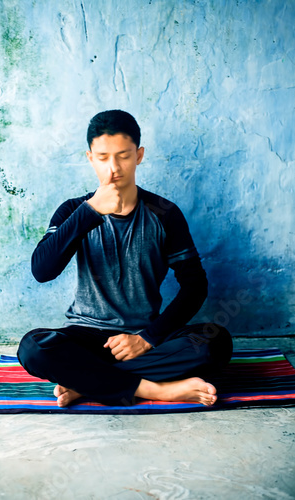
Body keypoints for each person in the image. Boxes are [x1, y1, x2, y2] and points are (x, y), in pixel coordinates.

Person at [17, 109, 233, 408]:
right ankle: (157, 390)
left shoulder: (164, 213)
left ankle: (87, 383)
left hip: (144, 338)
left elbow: (195, 285)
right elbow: (42, 270)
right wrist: (90, 212)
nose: (113, 168)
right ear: (90, 158)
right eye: (103, 157)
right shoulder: (72, 211)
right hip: (87, 338)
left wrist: (148, 338)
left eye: (124, 156)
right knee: (33, 348)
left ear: (139, 155)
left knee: (215, 341)